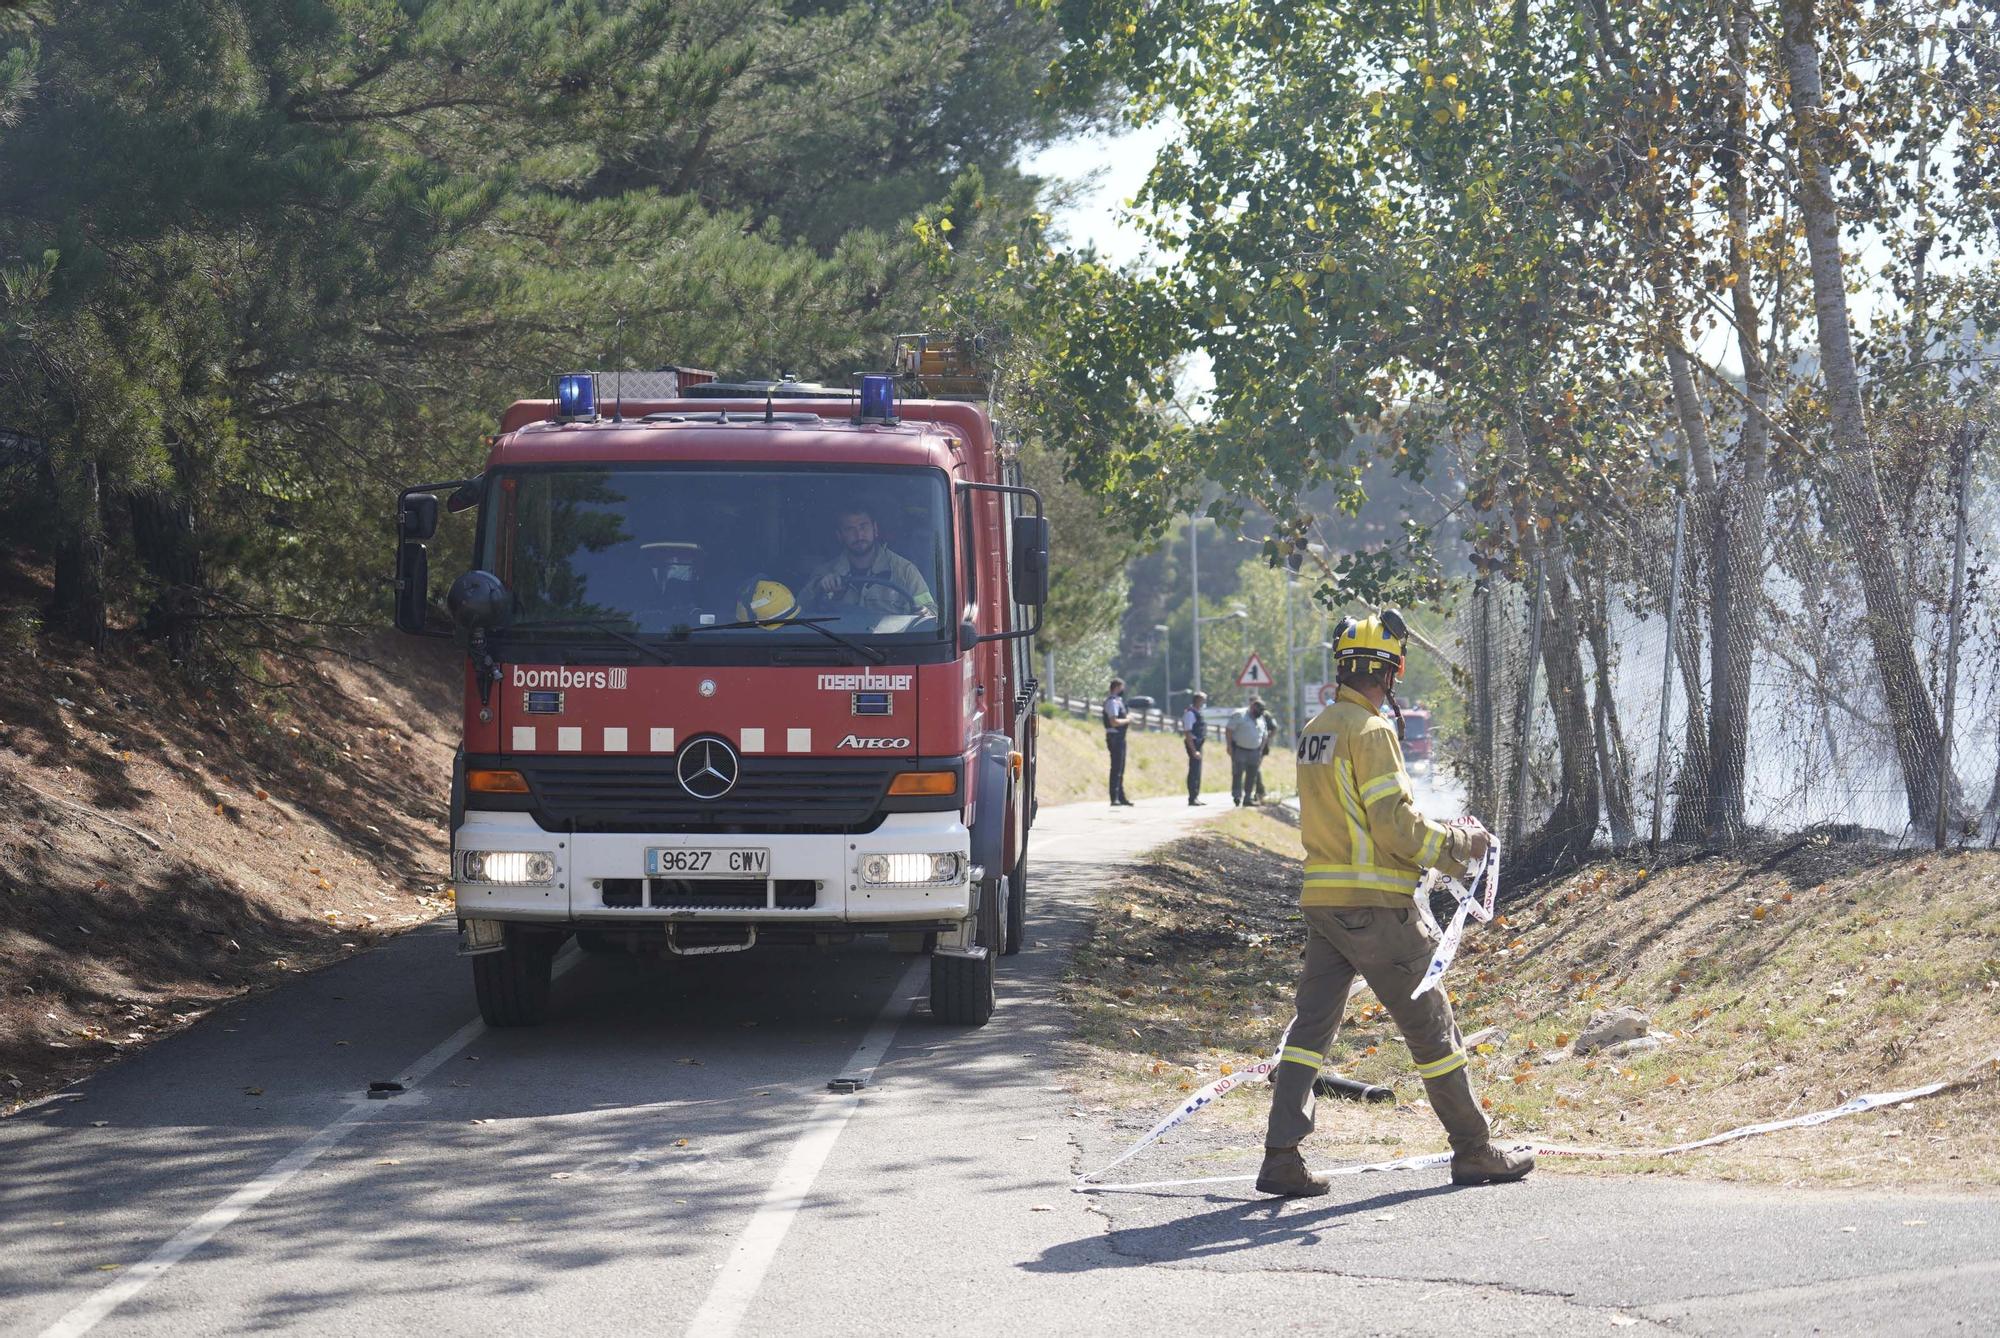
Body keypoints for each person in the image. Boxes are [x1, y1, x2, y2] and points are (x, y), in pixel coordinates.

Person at [1257, 609, 1532, 1197]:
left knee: (1310, 1031)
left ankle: (1281, 1156)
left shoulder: (1316, 729)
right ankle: (1474, 1149)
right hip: (1377, 909)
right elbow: (1397, 831)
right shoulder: (1373, 730)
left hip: (1325, 904)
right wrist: (1462, 844)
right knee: (1434, 1030)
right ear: (1393, 670)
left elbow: (1360, 818)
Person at [803, 503, 938, 619]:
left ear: (875, 529)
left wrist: (925, 613)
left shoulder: (905, 571)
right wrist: (820, 588)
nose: (859, 534)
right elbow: (799, 612)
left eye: (863, 526)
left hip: (891, 648)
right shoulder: (824, 573)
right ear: (840, 536)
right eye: (850, 529)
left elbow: (932, 613)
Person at [1228, 698, 1271, 806]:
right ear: (1252, 707)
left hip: (1255, 751)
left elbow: (1265, 735)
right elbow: (1229, 730)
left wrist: (1261, 749)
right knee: (1237, 773)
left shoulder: (1261, 718)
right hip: (1240, 749)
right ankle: (1237, 796)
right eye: (1258, 710)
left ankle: (1247, 798)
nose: (1260, 712)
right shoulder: (1240, 715)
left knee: (1252, 775)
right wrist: (1229, 746)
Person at [1103, 677, 1134, 807]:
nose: (1123, 690)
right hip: (1114, 737)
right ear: (1116, 687)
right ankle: (1114, 797)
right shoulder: (1112, 702)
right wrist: (1128, 719)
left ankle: (1121, 797)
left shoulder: (1118, 701)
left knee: (1121, 768)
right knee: (1116, 768)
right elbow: (1114, 722)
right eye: (1122, 688)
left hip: (1120, 737)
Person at [1181, 691, 1209, 806]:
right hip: (1193, 744)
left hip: (1198, 744)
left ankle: (1196, 796)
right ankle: (1192, 797)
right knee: (1194, 771)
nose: (1204, 703)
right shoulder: (1190, 713)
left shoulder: (1197, 712)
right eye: (1203, 700)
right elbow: (1187, 732)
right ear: (1198, 700)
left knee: (1197, 771)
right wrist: (1194, 750)